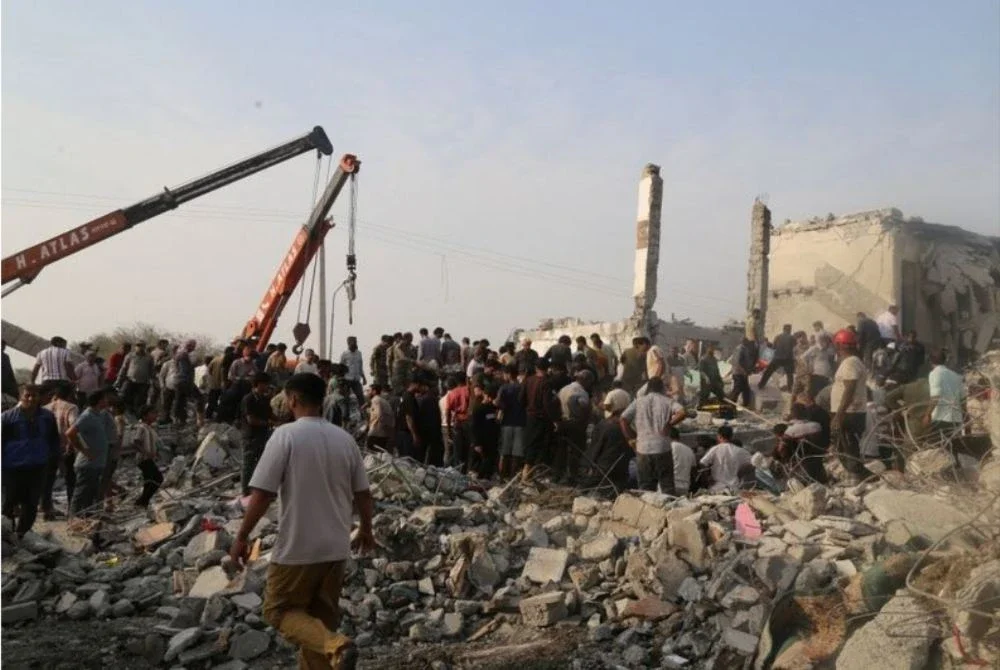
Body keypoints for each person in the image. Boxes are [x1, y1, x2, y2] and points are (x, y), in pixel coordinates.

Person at [230, 373, 373, 670]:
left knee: (279, 611)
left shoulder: (285, 436)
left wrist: (242, 536)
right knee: (317, 626)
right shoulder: (344, 439)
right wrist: (367, 531)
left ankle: (338, 645)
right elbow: (363, 493)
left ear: (293, 399)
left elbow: (263, 493)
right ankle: (332, 649)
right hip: (336, 548)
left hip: (298, 547)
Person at [2, 385, 60, 535]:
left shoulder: (47, 417)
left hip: (38, 467)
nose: (31, 399)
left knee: (31, 504)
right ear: (21, 397)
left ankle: (21, 535)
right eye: (27, 395)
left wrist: (55, 460)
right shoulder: (7, 418)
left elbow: (53, 440)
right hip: (12, 469)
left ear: (38, 397)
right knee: (8, 504)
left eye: (34, 396)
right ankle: (7, 535)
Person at [620, 377, 683, 493]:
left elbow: (623, 419)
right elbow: (682, 412)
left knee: (645, 487)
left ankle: (647, 510)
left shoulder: (638, 401)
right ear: (661, 388)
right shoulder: (667, 401)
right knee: (667, 486)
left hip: (643, 449)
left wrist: (630, 439)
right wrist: (669, 425)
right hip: (662, 447)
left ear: (648, 388)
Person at [830, 328, 872, 480]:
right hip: (853, 411)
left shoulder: (849, 363)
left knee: (847, 446)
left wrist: (839, 415)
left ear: (841, 346)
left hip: (849, 413)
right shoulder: (855, 361)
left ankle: (859, 476)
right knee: (848, 445)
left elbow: (849, 389)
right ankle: (857, 475)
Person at [65, 389, 113, 517]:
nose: (107, 401)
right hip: (87, 463)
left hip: (97, 463)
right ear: (100, 400)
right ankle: (73, 518)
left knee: (91, 494)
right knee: (81, 492)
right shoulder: (87, 416)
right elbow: (70, 433)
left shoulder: (98, 415)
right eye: (105, 399)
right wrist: (85, 451)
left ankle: (85, 518)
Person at [583, 389, 632, 495]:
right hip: (621, 470)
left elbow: (595, 448)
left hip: (603, 469)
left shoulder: (604, 425)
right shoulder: (627, 426)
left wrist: (589, 466)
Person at [41, 382, 78, 519]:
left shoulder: (45, 408)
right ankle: (72, 511)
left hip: (47, 449)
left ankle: (47, 509)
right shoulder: (71, 407)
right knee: (71, 479)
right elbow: (73, 427)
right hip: (65, 449)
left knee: (47, 480)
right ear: (70, 394)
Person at [555, 370, 593, 485]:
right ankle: (572, 477)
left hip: (562, 422)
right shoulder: (581, 392)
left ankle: (558, 475)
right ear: (585, 380)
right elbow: (582, 408)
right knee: (575, 452)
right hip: (575, 425)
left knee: (561, 451)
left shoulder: (564, 389)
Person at [240, 373, 273, 497]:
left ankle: (258, 490)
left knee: (261, 463)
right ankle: (245, 492)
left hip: (262, 436)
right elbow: (251, 420)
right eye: (265, 384)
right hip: (250, 436)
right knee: (248, 464)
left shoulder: (264, 399)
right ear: (258, 384)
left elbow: (271, 415)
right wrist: (268, 423)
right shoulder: (249, 399)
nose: (267, 386)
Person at [926, 349, 966, 442]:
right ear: (945, 361)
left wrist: (927, 414)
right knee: (953, 450)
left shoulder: (934, 374)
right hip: (956, 420)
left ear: (930, 361)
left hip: (941, 420)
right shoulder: (956, 376)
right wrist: (965, 417)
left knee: (938, 451)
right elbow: (963, 399)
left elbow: (935, 397)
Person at [496, 364, 526, 479]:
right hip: (520, 422)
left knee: (505, 451)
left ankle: (503, 476)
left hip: (507, 422)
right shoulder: (523, 387)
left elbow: (498, 403)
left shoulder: (504, 388)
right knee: (517, 453)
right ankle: (513, 477)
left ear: (508, 374)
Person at [699, 425, 752, 492]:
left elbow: (702, 463)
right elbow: (752, 463)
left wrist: (708, 478)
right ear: (732, 436)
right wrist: (740, 474)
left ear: (719, 436)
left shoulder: (715, 449)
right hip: (734, 487)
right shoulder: (741, 451)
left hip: (716, 487)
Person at [130, 404, 163, 507]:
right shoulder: (141, 427)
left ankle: (143, 501)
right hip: (143, 459)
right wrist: (146, 452)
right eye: (152, 413)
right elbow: (135, 442)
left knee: (150, 480)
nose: (155, 415)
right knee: (157, 478)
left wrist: (156, 453)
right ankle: (142, 501)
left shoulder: (150, 428)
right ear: (144, 416)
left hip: (149, 458)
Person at [469, 379, 500, 479]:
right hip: (481, 442)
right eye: (489, 397)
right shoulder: (478, 409)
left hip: (491, 442)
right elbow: (474, 427)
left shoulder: (492, 408)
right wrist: (477, 443)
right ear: (485, 395)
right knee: (479, 466)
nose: (491, 399)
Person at [117, 341, 155, 415]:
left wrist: (153, 380)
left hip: (143, 382)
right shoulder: (130, 356)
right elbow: (123, 368)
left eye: (142, 346)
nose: (140, 347)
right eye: (138, 345)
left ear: (144, 347)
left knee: (140, 401)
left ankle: (138, 416)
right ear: (135, 347)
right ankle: (125, 414)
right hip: (130, 380)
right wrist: (119, 380)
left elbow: (152, 370)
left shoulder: (149, 357)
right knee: (124, 396)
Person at [444, 373, 472, 468]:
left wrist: (448, 428)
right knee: (468, 449)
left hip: (457, 423)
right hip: (468, 422)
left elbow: (447, 412)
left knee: (458, 451)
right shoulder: (469, 391)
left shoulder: (452, 393)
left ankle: (458, 471)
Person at [758, 324, 795, 391]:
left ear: (783, 329)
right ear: (790, 330)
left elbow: (773, 347)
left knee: (768, 371)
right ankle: (790, 389)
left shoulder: (778, 337)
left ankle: (761, 384)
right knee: (790, 375)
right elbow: (794, 348)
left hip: (778, 357)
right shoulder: (792, 338)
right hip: (788, 358)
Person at [801, 333, 836, 399]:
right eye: (827, 342)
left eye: (829, 343)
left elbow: (832, 361)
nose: (829, 344)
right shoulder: (814, 348)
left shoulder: (828, 350)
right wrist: (808, 367)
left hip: (827, 375)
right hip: (817, 375)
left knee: (825, 394)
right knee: (816, 394)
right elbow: (803, 357)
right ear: (822, 341)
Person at [728, 337, 755, 407]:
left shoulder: (743, 349)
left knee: (746, 389)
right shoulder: (740, 349)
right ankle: (730, 405)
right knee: (737, 389)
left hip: (742, 373)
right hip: (739, 373)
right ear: (745, 342)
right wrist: (743, 371)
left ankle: (746, 405)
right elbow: (737, 362)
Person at [339, 337, 366, 406]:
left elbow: (360, 366)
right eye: (353, 342)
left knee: (360, 396)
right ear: (348, 343)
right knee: (346, 398)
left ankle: (362, 413)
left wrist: (364, 377)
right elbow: (341, 367)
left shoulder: (359, 353)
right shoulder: (344, 354)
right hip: (347, 379)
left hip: (356, 379)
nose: (354, 343)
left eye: (355, 342)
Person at [669, 427, 696, 496]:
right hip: (684, 487)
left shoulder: (668, 448)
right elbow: (693, 471)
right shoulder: (689, 450)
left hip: (669, 485)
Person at [366, 384, 394, 450]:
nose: (367, 393)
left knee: (372, 456)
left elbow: (379, 414)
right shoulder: (384, 401)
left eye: (369, 390)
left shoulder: (375, 400)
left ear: (374, 391)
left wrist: (371, 426)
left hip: (375, 433)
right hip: (384, 433)